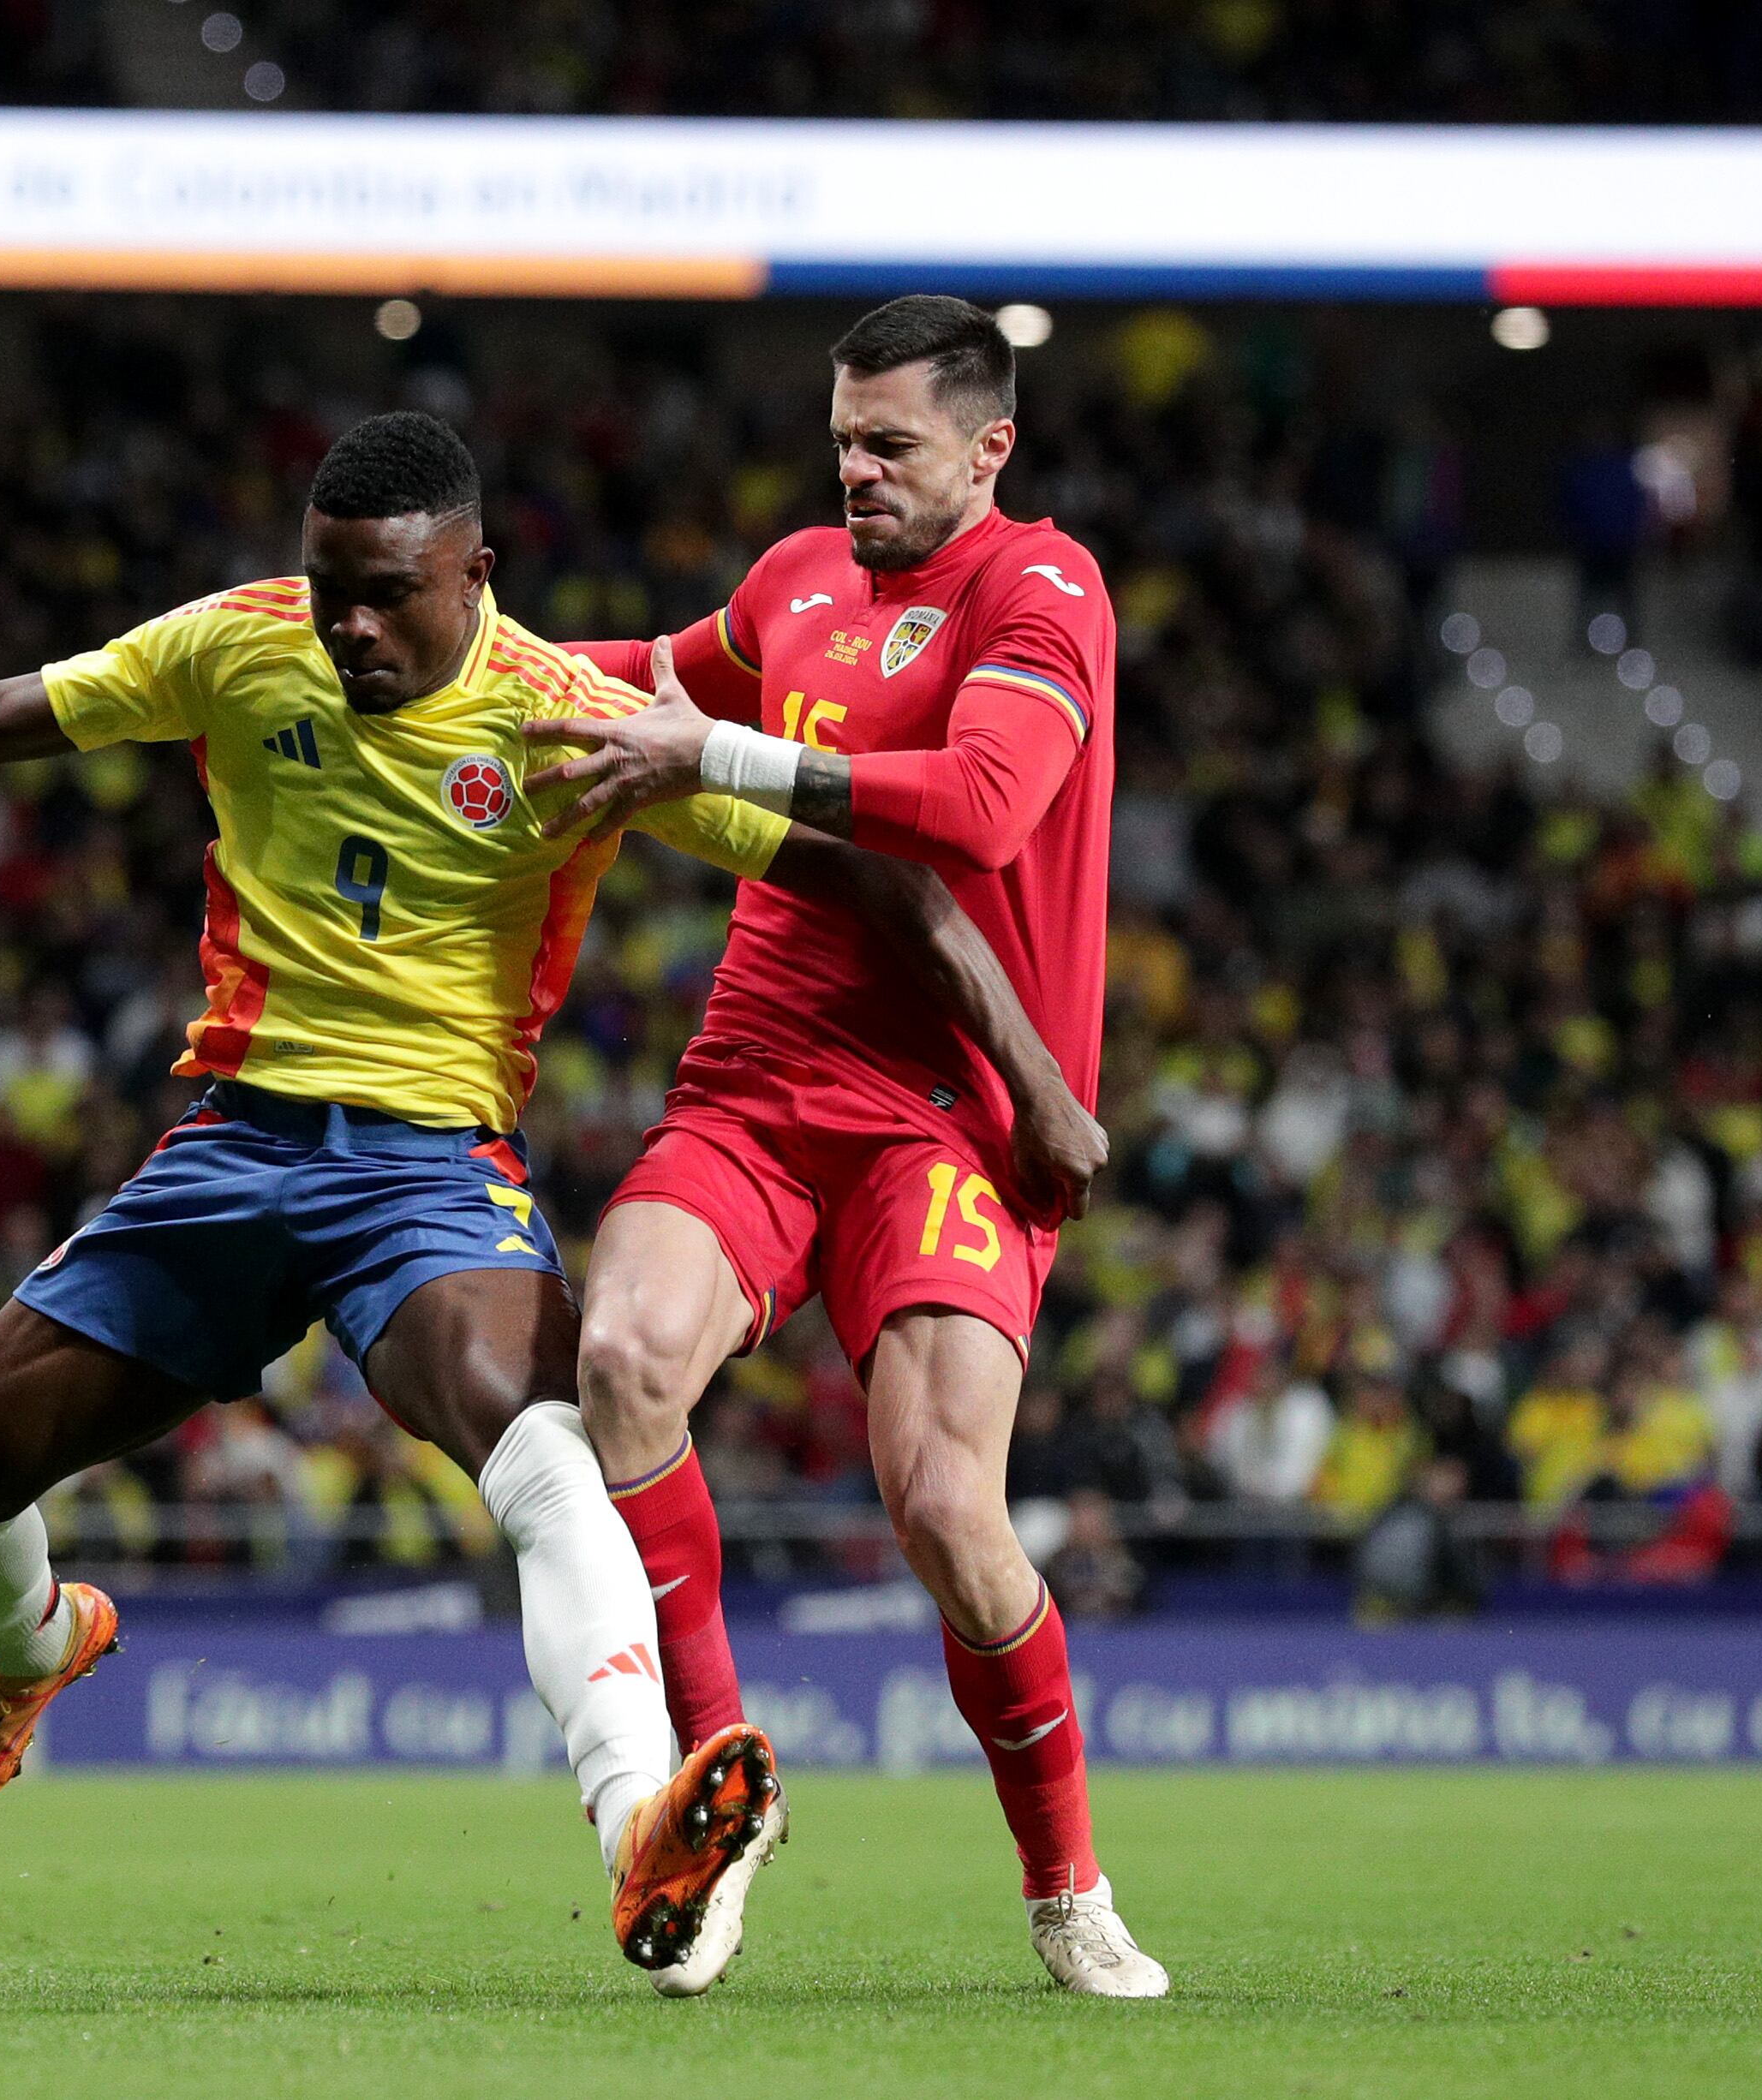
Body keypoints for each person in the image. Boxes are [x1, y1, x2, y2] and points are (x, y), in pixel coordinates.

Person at [0, 409, 1072, 1996]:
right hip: (230, 1152)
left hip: (427, 1178)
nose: (347, 623)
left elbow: (883, 877)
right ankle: (35, 1648)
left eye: (386, 595)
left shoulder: (574, 718)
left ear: (474, 575)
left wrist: (1034, 1083)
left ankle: (649, 1834)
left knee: (546, 1455)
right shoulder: (240, 646)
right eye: (329, 586)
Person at [528, 295, 1167, 1996]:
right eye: (844, 443)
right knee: (624, 1353)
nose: (860, 473)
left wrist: (719, 751)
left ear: (989, 446)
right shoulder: (797, 576)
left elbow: (976, 806)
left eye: (893, 444)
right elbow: (647, 682)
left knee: (947, 1506)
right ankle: (718, 1787)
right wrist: (472, 653)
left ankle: (1066, 1884)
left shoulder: (1044, 589)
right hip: (758, 1072)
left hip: (949, 1105)